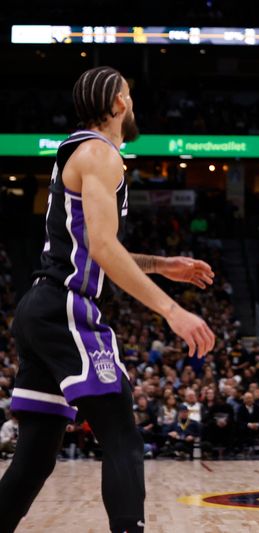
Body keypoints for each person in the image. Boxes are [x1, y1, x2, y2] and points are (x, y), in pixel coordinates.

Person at [0, 66, 215, 533]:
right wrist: (171, 309)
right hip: (66, 309)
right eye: (129, 97)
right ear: (118, 103)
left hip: (40, 308)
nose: (132, 104)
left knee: (35, 458)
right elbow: (102, 248)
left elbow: (87, 245)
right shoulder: (101, 153)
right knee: (122, 438)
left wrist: (161, 264)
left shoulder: (76, 152)